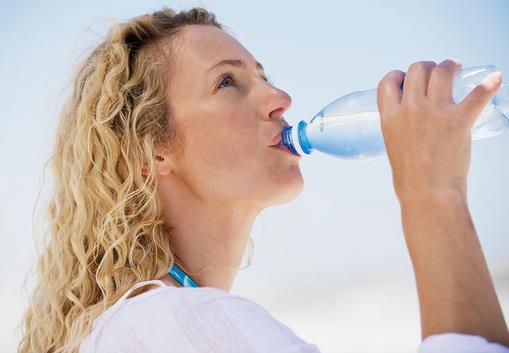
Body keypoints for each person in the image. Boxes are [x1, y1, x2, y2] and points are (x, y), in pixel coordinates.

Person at [17, 6, 509, 353]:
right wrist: (433, 191)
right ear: (152, 151)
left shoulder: (155, 324)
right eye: (228, 82)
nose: (281, 97)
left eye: (264, 75)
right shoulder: (169, 322)